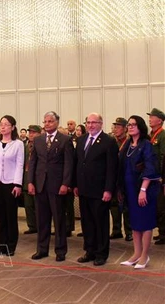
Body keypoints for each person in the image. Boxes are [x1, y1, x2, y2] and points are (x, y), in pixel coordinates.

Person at [28, 111, 74, 262]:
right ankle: (42, 249)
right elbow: (33, 162)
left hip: (57, 185)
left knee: (59, 219)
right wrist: (30, 182)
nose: (47, 124)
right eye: (45, 121)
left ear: (56, 123)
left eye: (50, 121)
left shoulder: (65, 140)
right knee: (42, 219)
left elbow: (68, 164)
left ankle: (60, 250)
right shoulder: (38, 140)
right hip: (40, 184)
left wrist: (65, 184)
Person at [74, 113, 118, 266]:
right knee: (87, 222)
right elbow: (78, 164)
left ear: (101, 124)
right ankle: (90, 250)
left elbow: (112, 169)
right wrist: (76, 185)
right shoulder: (81, 140)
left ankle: (101, 253)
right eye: (88, 122)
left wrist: (108, 189)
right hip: (84, 189)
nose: (91, 125)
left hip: (100, 190)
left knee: (100, 223)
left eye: (94, 122)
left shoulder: (108, 141)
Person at [118, 115, 160, 269]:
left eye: (134, 125)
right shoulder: (127, 145)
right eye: (129, 125)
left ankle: (144, 256)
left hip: (143, 190)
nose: (130, 127)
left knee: (145, 223)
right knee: (135, 223)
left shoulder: (146, 145)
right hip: (129, 189)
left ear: (140, 127)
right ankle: (136, 253)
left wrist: (143, 190)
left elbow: (151, 168)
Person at [0, 115, 24, 256]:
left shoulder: (18, 144)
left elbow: (19, 165)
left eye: (6, 124)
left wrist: (18, 184)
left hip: (11, 184)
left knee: (11, 215)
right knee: (0, 216)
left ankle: (11, 245)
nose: (3, 127)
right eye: (1, 124)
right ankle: (0, 244)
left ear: (13, 127)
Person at [110, 117, 132, 241]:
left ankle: (129, 231)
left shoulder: (129, 142)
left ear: (125, 129)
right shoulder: (112, 142)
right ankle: (116, 230)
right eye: (115, 127)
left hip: (125, 177)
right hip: (114, 177)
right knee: (114, 205)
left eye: (118, 127)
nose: (116, 129)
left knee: (126, 205)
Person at [147, 108, 165, 245]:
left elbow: (163, 157)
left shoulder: (162, 135)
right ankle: (161, 231)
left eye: (152, 117)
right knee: (156, 206)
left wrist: (161, 176)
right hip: (152, 176)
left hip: (159, 177)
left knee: (161, 206)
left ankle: (164, 233)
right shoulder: (151, 135)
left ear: (159, 120)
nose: (150, 119)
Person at [22, 125, 41, 235]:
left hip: (37, 179)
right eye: (30, 132)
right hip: (26, 178)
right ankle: (32, 225)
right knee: (28, 205)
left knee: (38, 205)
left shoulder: (41, 145)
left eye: (33, 132)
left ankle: (40, 225)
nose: (31, 134)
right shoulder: (25, 146)